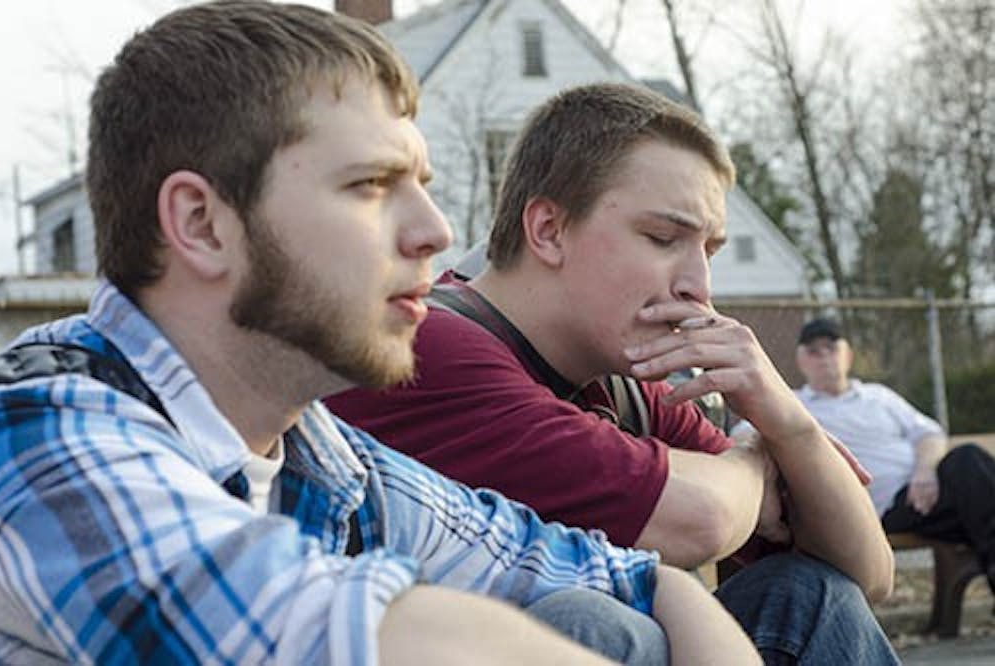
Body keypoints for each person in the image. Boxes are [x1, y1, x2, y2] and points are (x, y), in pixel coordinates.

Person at [0, 3, 761, 664]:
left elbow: (627, 573)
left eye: (420, 187)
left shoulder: (329, 461)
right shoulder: (34, 440)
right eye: (369, 186)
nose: (434, 231)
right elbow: (353, 636)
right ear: (202, 224)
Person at [327, 82, 901, 664]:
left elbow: (867, 573)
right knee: (593, 622)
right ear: (548, 230)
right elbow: (699, 520)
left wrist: (789, 422)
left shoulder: (628, 380)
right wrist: (754, 454)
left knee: (808, 596)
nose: (698, 286)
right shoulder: (428, 345)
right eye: (662, 238)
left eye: (710, 250)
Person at [789, 317, 995, 593]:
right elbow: (745, 434)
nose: (824, 356)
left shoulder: (878, 395)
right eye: (813, 351)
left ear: (848, 355)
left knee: (970, 469)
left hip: (929, 489)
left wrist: (924, 473)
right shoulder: (793, 405)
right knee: (971, 468)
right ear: (800, 361)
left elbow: (929, 434)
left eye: (831, 347)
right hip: (884, 508)